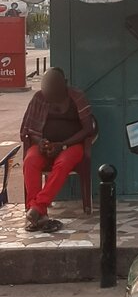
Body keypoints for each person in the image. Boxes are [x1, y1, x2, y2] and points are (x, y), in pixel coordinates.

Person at [20, 67, 94, 233]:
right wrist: (41, 143)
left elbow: (88, 128)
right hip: (45, 145)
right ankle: (40, 214)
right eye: (47, 88)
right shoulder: (39, 98)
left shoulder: (77, 97)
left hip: (71, 145)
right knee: (30, 161)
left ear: (64, 84)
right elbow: (30, 130)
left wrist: (63, 145)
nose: (50, 92)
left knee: (63, 162)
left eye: (54, 87)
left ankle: (36, 208)